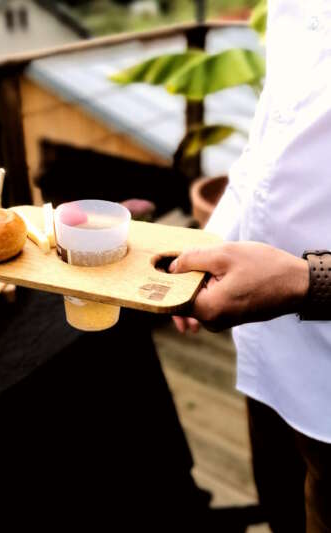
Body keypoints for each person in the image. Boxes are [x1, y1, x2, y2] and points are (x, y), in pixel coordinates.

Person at [171, 2, 331, 532]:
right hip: (264, 350)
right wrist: (207, 249)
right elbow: (265, 151)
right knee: (280, 506)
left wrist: (306, 282)